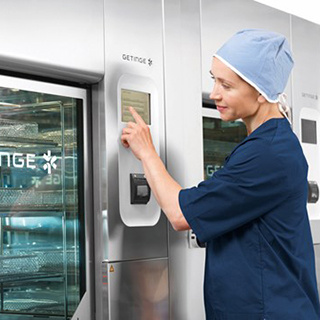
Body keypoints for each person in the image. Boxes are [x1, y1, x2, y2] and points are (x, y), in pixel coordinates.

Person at [121, 29, 320, 319]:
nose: (214, 93)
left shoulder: (268, 154)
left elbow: (179, 214)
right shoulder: (268, 144)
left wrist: (146, 152)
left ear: (262, 92)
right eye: (213, 79)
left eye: (226, 85)